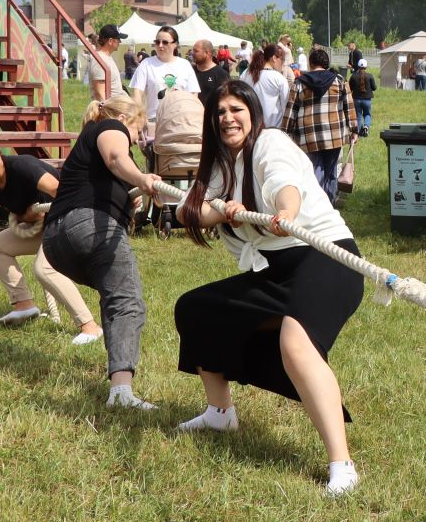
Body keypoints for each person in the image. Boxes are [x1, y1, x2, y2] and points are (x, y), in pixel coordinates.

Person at [175, 80, 367, 497]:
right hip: (276, 267)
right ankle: (219, 413)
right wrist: (222, 209)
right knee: (196, 309)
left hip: (327, 257)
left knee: (295, 343)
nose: (228, 118)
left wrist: (283, 212)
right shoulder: (222, 163)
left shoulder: (271, 143)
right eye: (220, 111)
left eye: (236, 109)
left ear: (253, 113)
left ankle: (342, 463)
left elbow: (284, 186)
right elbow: (186, 211)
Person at [41, 94, 160, 410]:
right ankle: (121, 393)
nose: (137, 139)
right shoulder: (110, 127)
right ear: (126, 120)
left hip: (56, 241)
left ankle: (119, 380)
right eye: (138, 131)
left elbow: (108, 173)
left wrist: (131, 197)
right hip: (88, 225)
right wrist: (140, 177)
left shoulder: (87, 141)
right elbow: (116, 159)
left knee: (115, 294)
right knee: (126, 299)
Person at [0, 128, 104, 344]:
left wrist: (41, 214)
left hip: (69, 219)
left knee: (44, 269)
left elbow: (65, 194)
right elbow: (21, 212)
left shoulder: (22, 166)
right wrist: (29, 214)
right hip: (45, 225)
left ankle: (90, 327)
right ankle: (24, 305)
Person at [284, 46, 357, 203]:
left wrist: (285, 132)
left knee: (314, 170)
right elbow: (349, 107)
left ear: (310, 64)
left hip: (308, 136)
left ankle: (316, 205)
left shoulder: (299, 83)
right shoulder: (340, 81)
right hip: (335, 136)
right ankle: (329, 203)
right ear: (327, 63)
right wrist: (354, 130)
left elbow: (291, 111)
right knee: (331, 171)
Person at [129, 25, 201, 167]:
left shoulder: (185, 65)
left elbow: (193, 95)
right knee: (155, 163)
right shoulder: (147, 64)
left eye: (165, 42)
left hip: (180, 121)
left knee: (179, 163)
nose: (160, 46)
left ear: (175, 45)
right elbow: (137, 92)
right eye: (157, 42)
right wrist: (138, 118)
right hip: (154, 121)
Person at [253, 43, 290, 128]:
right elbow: (286, 107)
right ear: (274, 58)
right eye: (282, 59)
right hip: (275, 129)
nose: (283, 63)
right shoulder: (279, 78)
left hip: (255, 128)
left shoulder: (249, 75)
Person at [87, 24, 124, 102]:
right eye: (118, 39)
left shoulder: (106, 57)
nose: (120, 41)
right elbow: (100, 94)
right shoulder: (99, 60)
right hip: (109, 111)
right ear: (110, 41)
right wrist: (108, 112)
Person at [348, 58, 376, 136]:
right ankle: (366, 126)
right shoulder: (370, 76)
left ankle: (359, 132)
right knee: (367, 114)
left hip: (356, 99)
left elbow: (349, 88)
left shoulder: (353, 76)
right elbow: (374, 88)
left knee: (358, 116)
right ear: (366, 67)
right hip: (367, 100)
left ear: (358, 66)